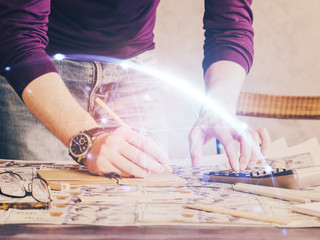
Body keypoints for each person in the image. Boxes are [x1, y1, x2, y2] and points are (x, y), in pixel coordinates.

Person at [0, 0, 270, 177]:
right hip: (38, 70)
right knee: (38, 208)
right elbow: (17, 33)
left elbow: (230, 26)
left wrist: (219, 107)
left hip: (133, 69)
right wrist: (87, 137)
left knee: (149, 199)